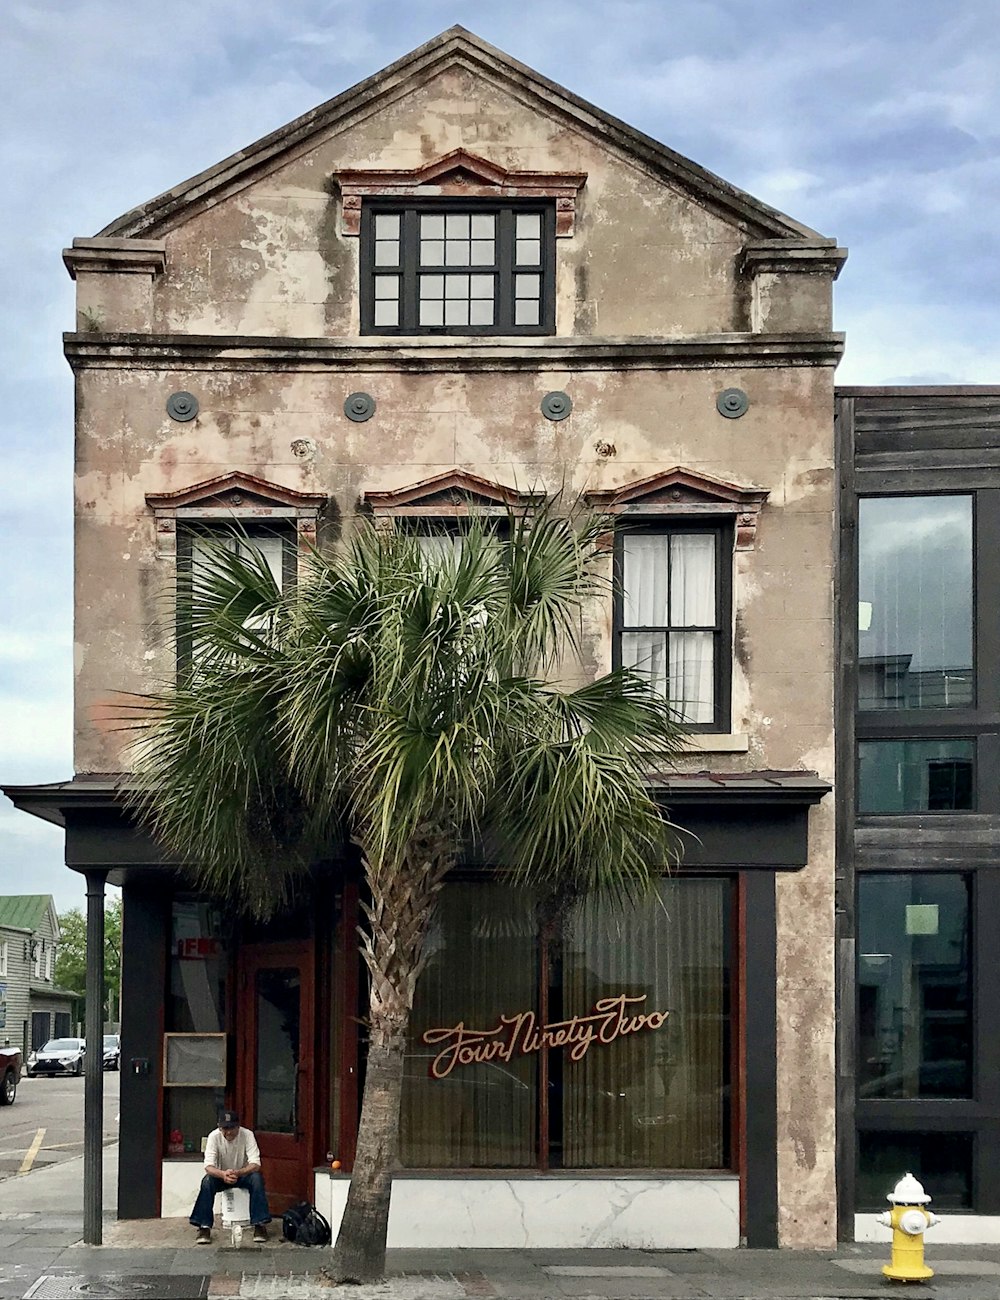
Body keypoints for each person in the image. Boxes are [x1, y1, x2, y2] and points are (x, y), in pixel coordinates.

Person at [189, 1109, 272, 1244]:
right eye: (224, 1128)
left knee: (257, 1178)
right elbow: (208, 1166)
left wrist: (239, 1173)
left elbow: (256, 1163)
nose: (228, 1132)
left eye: (231, 1128)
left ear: (238, 1126)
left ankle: (260, 1224)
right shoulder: (213, 1137)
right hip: (221, 1175)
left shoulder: (247, 1135)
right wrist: (223, 1174)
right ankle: (203, 1226)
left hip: (243, 1174)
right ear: (219, 1127)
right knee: (207, 1182)